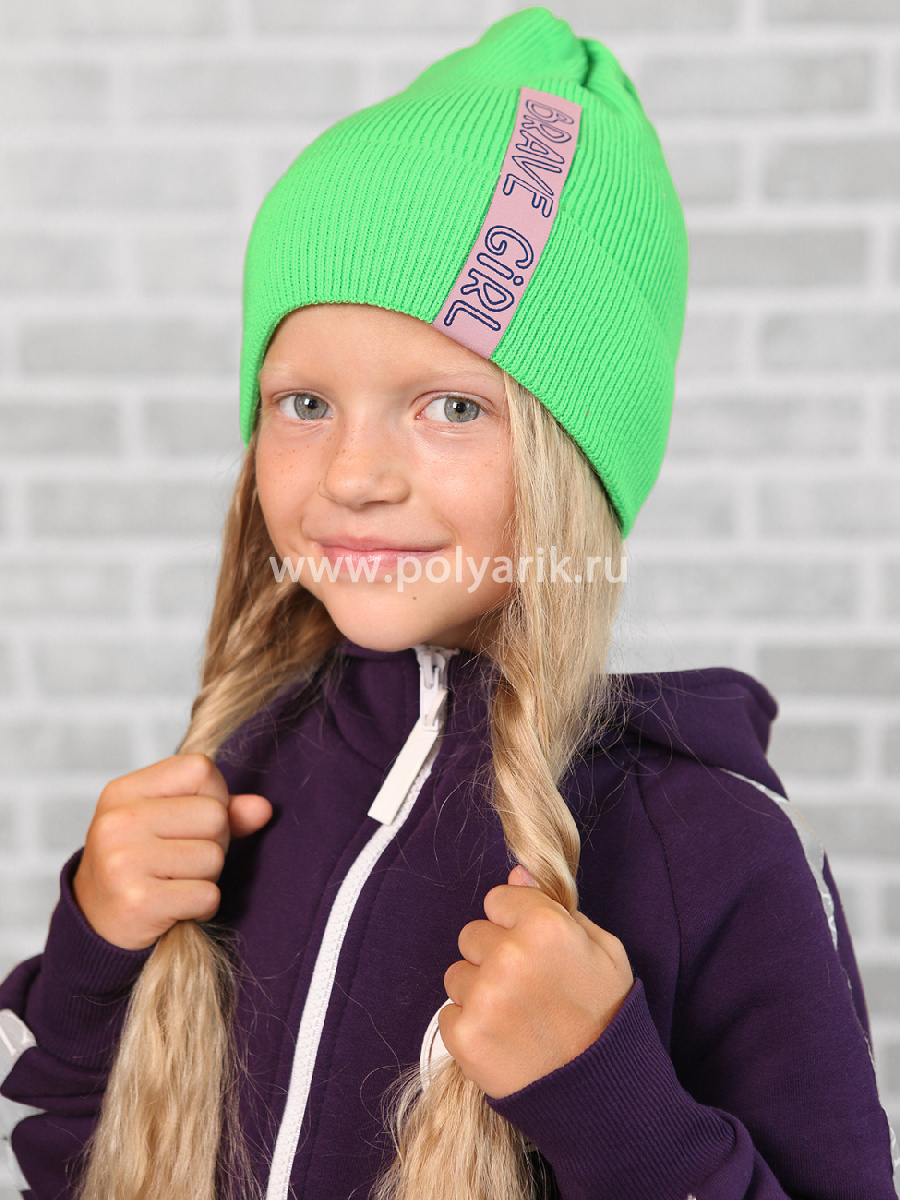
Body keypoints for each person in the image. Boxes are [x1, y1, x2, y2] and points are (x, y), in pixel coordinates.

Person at [0, 7, 897, 1199]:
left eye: (453, 407)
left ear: (576, 458)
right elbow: (88, 1161)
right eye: (305, 404)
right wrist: (95, 958)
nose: (355, 474)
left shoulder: (712, 845)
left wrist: (613, 1101)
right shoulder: (243, 772)